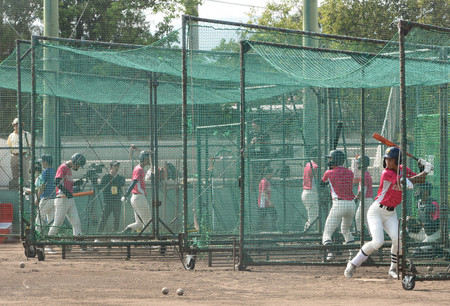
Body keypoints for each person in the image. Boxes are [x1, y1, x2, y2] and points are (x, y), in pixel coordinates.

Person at [344, 147, 432, 279]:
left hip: (391, 213)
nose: (386, 161)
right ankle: (353, 264)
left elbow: (419, 180)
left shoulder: (403, 169)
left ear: (397, 161)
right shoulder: (386, 173)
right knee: (377, 242)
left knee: (398, 240)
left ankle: (393, 269)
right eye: (386, 158)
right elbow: (406, 183)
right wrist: (425, 171)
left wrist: (424, 170)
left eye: (390, 159)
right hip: (377, 212)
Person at [47, 153, 86, 254]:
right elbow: (56, 182)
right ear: (74, 162)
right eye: (78, 165)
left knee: (76, 222)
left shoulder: (69, 169)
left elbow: (68, 183)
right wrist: (66, 192)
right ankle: (47, 244)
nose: (78, 168)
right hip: (62, 199)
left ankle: (81, 246)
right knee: (58, 223)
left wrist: (77, 183)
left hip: (69, 199)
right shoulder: (63, 167)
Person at [321, 150, 356, 261]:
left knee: (327, 233)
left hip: (339, 204)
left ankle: (330, 254)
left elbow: (322, 184)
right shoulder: (350, 172)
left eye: (331, 158)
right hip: (351, 205)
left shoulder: (328, 172)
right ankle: (353, 255)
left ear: (335, 160)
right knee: (345, 230)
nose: (329, 161)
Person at [407, 182, 440, 258]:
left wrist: (420, 224)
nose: (417, 192)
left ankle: (437, 249)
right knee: (404, 233)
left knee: (417, 252)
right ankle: (430, 248)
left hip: (434, 235)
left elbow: (436, 224)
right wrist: (414, 222)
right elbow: (421, 219)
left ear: (425, 191)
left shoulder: (433, 203)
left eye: (420, 190)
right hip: (424, 233)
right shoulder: (420, 203)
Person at [121, 151, 151, 233]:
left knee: (139, 223)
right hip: (139, 197)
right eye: (147, 159)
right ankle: (146, 242)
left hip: (136, 198)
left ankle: (126, 231)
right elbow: (134, 182)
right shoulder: (139, 169)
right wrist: (126, 194)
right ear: (144, 159)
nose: (149, 161)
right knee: (147, 221)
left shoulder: (138, 168)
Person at [97, 160, 126, 233]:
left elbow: (122, 184)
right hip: (108, 201)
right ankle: (98, 235)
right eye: (115, 166)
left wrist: (115, 179)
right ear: (111, 167)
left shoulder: (120, 178)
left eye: (117, 166)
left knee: (116, 219)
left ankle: (114, 234)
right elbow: (100, 187)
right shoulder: (106, 177)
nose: (116, 167)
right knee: (103, 218)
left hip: (117, 201)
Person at [35, 154, 57, 234]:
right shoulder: (54, 171)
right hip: (54, 199)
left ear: (45, 162)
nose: (42, 164)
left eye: (42, 162)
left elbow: (42, 186)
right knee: (51, 220)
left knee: (39, 218)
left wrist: (37, 198)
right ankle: (50, 237)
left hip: (46, 199)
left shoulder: (45, 171)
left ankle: (37, 236)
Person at [7, 118, 31, 189]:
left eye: (18, 124)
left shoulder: (27, 134)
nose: (16, 126)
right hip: (14, 156)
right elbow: (9, 146)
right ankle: (16, 189)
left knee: (25, 173)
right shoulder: (11, 135)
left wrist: (28, 154)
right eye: (15, 125)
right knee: (15, 173)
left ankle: (26, 189)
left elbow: (30, 145)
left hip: (24, 156)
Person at [354, 155, 373, 236]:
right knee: (367, 219)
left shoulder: (364, 175)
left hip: (365, 200)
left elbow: (362, 190)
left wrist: (356, 198)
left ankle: (359, 232)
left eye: (359, 163)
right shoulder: (366, 173)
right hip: (368, 200)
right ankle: (371, 235)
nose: (357, 165)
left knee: (358, 218)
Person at [302, 147, 319, 232]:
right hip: (311, 193)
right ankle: (306, 234)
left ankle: (308, 233)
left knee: (312, 216)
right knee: (313, 217)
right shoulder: (315, 166)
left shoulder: (308, 164)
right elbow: (317, 183)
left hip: (306, 193)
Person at [257, 167, 278, 231]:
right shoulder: (264, 181)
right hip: (263, 203)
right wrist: (269, 202)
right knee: (263, 217)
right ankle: (258, 230)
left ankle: (273, 229)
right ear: (268, 174)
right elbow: (264, 192)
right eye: (271, 174)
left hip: (267, 203)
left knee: (274, 215)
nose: (272, 175)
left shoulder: (267, 181)